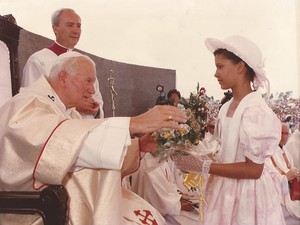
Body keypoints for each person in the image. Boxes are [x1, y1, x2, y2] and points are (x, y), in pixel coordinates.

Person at [0, 52, 188, 225]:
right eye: (88, 81)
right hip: (31, 211)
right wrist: (133, 123)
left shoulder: (67, 113)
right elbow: (58, 145)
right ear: (63, 77)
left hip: (59, 200)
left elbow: (84, 148)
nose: (92, 90)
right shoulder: (27, 104)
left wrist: (139, 146)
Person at [172, 35, 286, 224]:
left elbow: (253, 170)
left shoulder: (255, 109)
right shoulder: (226, 106)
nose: (216, 73)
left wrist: (203, 166)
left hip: (247, 196)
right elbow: (225, 152)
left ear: (240, 67)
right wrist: (192, 157)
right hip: (225, 188)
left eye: (220, 66)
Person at [22, 8, 103, 118]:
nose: (76, 30)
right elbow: (33, 102)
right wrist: (76, 105)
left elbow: (97, 98)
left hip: (86, 128)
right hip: (57, 129)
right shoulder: (38, 60)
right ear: (55, 28)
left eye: (78, 26)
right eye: (70, 25)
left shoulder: (85, 64)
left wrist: (96, 109)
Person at [131, 153, 200, 225]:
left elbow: (170, 183)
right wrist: (181, 205)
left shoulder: (159, 158)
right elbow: (156, 199)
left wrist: (180, 196)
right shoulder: (147, 164)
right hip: (162, 213)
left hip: (170, 207)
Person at [265, 122, 300, 224]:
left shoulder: (283, 149)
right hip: (278, 198)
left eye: (286, 133)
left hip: (290, 192)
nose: (284, 136)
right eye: (281, 133)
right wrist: (286, 177)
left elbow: (291, 167)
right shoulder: (268, 151)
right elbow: (268, 176)